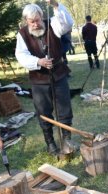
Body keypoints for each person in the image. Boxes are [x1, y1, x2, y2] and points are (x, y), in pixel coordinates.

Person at [15, 0, 74, 155]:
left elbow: (67, 24)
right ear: (26, 21)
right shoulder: (22, 34)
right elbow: (20, 55)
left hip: (59, 74)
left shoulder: (52, 24)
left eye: (38, 20)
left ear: (42, 16)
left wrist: (56, 5)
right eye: (31, 22)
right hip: (39, 79)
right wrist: (38, 61)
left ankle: (67, 139)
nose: (35, 24)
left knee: (64, 108)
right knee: (43, 112)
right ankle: (50, 143)